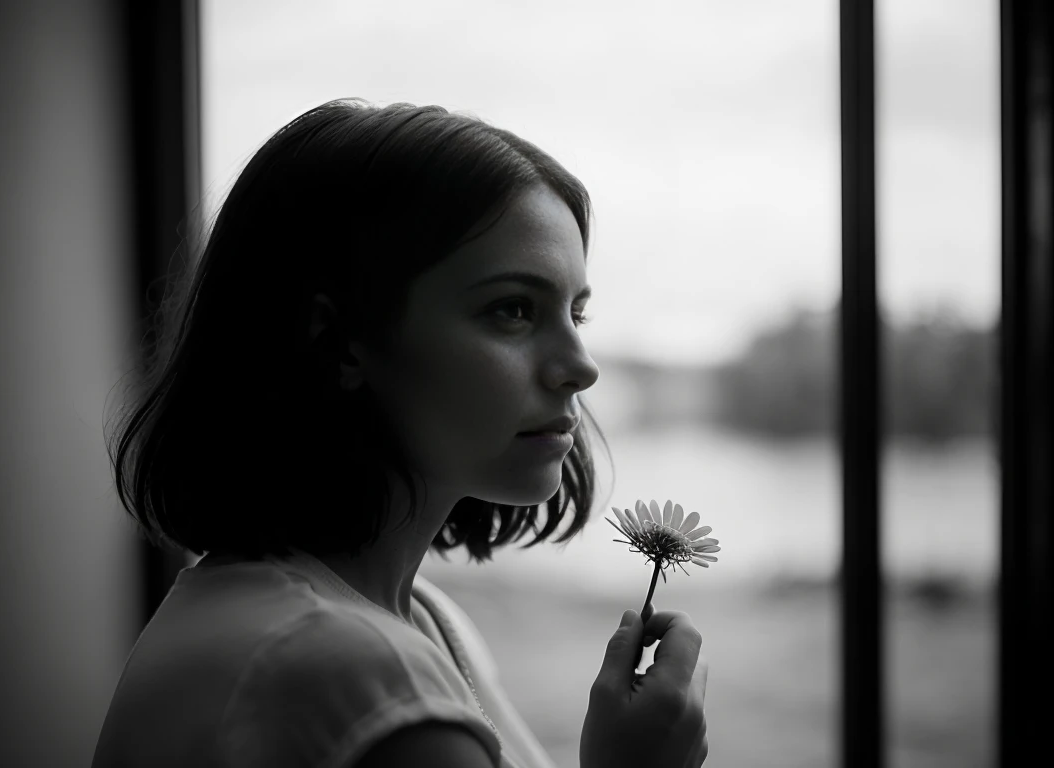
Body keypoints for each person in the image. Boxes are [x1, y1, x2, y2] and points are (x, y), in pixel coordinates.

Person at [94, 98, 709, 768]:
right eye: (513, 310)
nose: (581, 368)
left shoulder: (420, 621)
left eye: (575, 313)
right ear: (340, 341)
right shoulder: (351, 675)